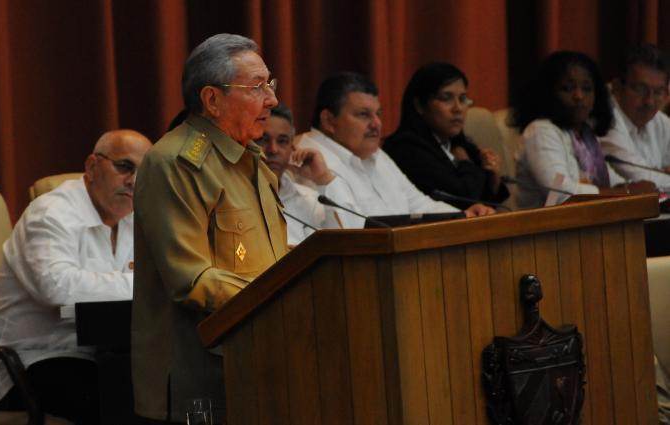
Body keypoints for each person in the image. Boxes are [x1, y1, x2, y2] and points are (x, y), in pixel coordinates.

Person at [131, 33, 287, 424]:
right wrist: (287, 298)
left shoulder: (251, 160)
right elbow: (191, 280)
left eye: (270, 84)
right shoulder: (175, 163)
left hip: (260, 361)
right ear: (212, 99)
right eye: (257, 87)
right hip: (200, 380)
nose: (272, 100)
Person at [0, 129, 152, 425]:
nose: (133, 181)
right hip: (23, 361)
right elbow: (58, 288)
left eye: (144, 172)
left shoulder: (135, 219)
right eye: (124, 167)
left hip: (94, 354)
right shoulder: (51, 214)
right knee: (120, 397)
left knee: (160, 385)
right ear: (92, 166)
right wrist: (142, 286)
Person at [297, 72, 493, 228]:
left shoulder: (375, 153)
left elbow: (419, 205)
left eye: (378, 114)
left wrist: (463, 216)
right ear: (329, 120)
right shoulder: (310, 159)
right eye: (364, 115)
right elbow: (346, 230)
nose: (376, 124)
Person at [511, 51, 654, 208]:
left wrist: (632, 188)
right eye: (567, 88)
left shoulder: (584, 135)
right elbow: (559, 195)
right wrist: (626, 192)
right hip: (545, 229)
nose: (579, 96)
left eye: (587, 89)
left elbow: (608, 182)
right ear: (548, 93)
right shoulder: (540, 131)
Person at [384, 62, 509, 209]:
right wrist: (465, 163)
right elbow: (464, 201)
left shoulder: (458, 144)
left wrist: (494, 179)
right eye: (446, 98)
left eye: (462, 99)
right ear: (419, 105)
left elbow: (488, 204)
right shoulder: (406, 148)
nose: (458, 108)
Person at [256, 103, 340, 245]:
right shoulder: (234, 196)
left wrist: (323, 178)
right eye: (263, 139)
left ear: (292, 148)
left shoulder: (309, 200)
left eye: (282, 141)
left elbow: (340, 243)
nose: (273, 149)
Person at [601, 44, 670, 189]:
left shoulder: (659, 121)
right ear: (617, 87)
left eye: (658, 92)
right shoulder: (604, 117)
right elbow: (641, 177)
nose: (649, 101)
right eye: (640, 89)